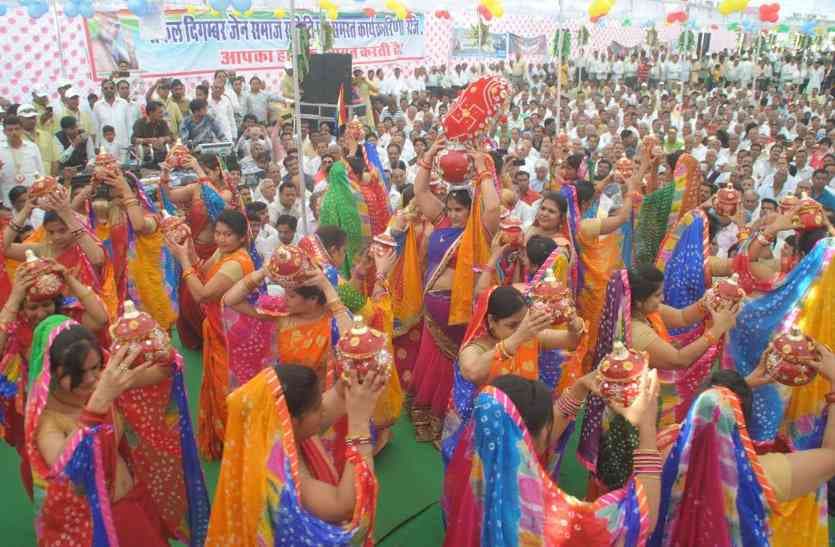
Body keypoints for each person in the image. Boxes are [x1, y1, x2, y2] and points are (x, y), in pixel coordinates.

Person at [24, 316, 209, 545]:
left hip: (137, 501)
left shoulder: (102, 383)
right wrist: (98, 403)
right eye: (78, 373)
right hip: (100, 524)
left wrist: (159, 350)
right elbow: (66, 468)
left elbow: (163, 372)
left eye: (95, 367)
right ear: (50, 372)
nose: (91, 379)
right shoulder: (48, 421)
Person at [443, 370, 662, 545]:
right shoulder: (540, 517)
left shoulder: (471, 462)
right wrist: (647, 426)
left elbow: (530, 436)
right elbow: (641, 516)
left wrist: (579, 388)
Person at [206, 363, 382, 544]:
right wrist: (359, 424)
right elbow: (343, 505)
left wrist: (345, 385)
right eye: (316, 408)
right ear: (292, 421)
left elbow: (329, 403)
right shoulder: (282, 475)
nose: (322, 410)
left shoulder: (269, 425)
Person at [408, 137, 500, 442]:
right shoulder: (441, 221)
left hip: (459, 313)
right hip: (433, 308)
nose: (454, 213)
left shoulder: (480, 229)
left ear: (470, 210)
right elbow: (420, 191)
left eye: (460, 209)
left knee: (453, 367)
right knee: (429, 364)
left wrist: (482, 167)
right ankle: (426, 416)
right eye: (451, 208)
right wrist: (430, 154)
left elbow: (495, 205)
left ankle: (450, 419)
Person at [441, 285, 585, 464]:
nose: (519, 329)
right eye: (512, 325)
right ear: (491, 321)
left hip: (526, 426)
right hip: (489, 433)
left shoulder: (530, 336)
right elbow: (473, 372)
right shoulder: (475, 349)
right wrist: (517, 338)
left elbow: (571, 341)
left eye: (523, 322)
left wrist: (574, 325)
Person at [164, 208, 254, 460]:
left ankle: (239, 444)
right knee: (218, 383)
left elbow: (203, 294)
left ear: (241, 238)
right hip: (217, 326)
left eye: (228, 235)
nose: (221, 239)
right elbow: (204, 273)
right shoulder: (224, 253)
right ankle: (227, 440)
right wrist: (189, 249)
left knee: (228, 387)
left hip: (231, 332)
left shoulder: (237, 262)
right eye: (218, 233)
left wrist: (183, 261)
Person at [0, 116, 44, 200]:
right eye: (10, 130)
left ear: (22, 130)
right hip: (9, 197)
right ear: (4, 132)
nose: (14, 132)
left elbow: (41, 171)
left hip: (32, 196)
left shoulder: (32, 147)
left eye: (17, 129)